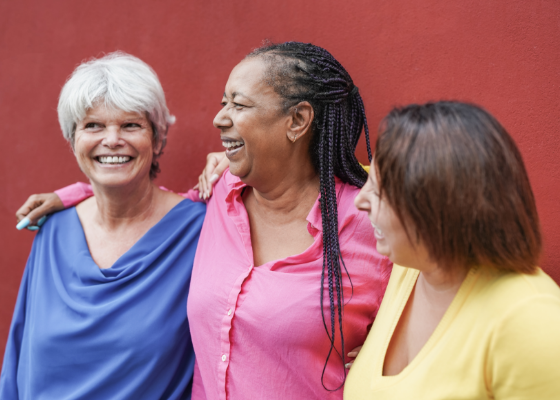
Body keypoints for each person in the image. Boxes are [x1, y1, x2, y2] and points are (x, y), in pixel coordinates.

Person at [14, 42, 392, 399]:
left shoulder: (373, 220)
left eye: (239, 104)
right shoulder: (220, 197)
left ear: (297, 120)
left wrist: (379, 357)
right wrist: (74, 197)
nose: (219, 118)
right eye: (92, 126)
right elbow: (142, 204)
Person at [1, 52, 206, 399]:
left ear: (158, 140)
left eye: (130, 125)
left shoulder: (198, 231)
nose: (111, 140)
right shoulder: (53, 229)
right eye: (93, 125)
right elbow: (18, 359)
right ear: (73, 140)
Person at [346, 101, 560, 399]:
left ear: (438, 206)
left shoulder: (529, 320)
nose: (361, 200)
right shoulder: (411, 266)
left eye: (380, 189)